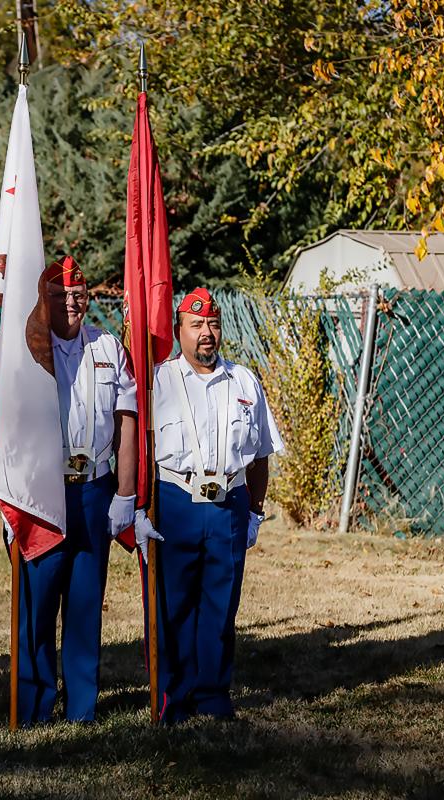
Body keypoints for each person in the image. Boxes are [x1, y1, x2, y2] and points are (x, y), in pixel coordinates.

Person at [134, 287, 284, 724]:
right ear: (178, 329)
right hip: (176, 500)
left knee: (221, 605)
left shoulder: (244, 381)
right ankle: (173, 698)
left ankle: (214, 695)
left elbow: (260, 455)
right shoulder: (158, 381)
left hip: (230, 503)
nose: (207, 334)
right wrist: (139, 506)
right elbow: (140, 450)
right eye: (197, 325)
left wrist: (254, 512)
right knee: (173, 605)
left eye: (213, 324)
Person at [16, 255, 139, 725]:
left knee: (86, 603)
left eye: (78, 292)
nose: (70, 301)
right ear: (43, 299)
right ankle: (34, 704)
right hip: (43, 492)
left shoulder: (109, 347)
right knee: (39, 604)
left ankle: (82, 706)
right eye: (59, 293)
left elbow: (127, 421)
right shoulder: (28, 352)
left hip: (93, 491)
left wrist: (125, 493)